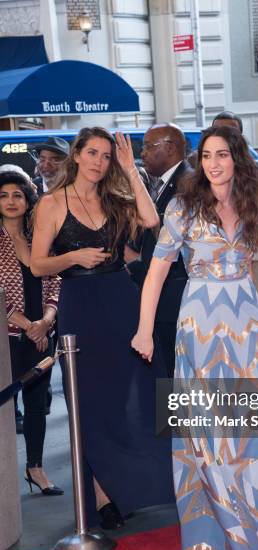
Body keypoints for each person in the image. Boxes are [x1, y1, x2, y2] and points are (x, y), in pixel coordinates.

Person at [132, 125, 258, 550]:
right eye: (206, 156)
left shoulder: (251, 202)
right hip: (202, 321)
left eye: (222, 154)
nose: (214, 163)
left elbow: (248, 268)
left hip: (248, 319)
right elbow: (157, 274)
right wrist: (144, 331)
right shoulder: (183, 207)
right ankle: (234, 532)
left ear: (236, 158)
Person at [30, 127, 174, 529]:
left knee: (139, 394)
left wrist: (131, 170)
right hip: (80, 306)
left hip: (122, 301)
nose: (98, 161)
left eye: (106, 156)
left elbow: (151, 219)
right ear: (76, 155)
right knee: (90, 401)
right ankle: (100, 494)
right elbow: (38, 264)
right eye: (92, 153)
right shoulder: (51, 204)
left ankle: (145, 483)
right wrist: (73, 255)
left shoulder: (115, 198)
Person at [0, 171, 62, 495]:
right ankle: (5, 478)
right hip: (8, 337)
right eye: (4, 195)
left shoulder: (38, 235)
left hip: (42, 332)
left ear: (27, 199)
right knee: (6, 409)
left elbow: (54, 279)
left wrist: (47, 320)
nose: (11, 201)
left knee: (37, 405)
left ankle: (35, 469)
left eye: (17, 195)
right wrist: (29, 325)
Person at [127, 123, 192, 377]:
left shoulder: (188, 183)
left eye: (148, 146)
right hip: (162, 294)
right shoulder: (162, 183)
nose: (142, 152)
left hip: (174, 294)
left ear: (171, 147)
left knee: (176, 372)